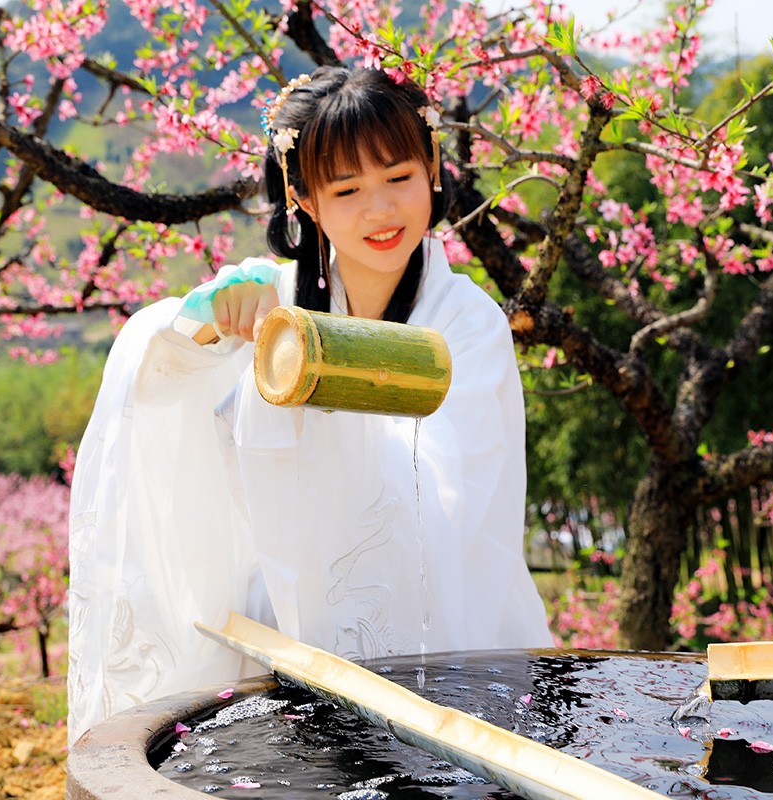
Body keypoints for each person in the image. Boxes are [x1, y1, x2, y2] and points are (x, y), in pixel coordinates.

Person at [66, 67, 553, 745]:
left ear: (434, 167)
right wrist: (207, 329)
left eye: (399, 177)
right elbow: (169, 380)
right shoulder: (271, 298)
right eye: (347, 190)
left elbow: (457, 500)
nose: (380, 210)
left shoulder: (466, 323)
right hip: (277, 626)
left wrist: (303, 385)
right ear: (304, 197)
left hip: (440, 624)